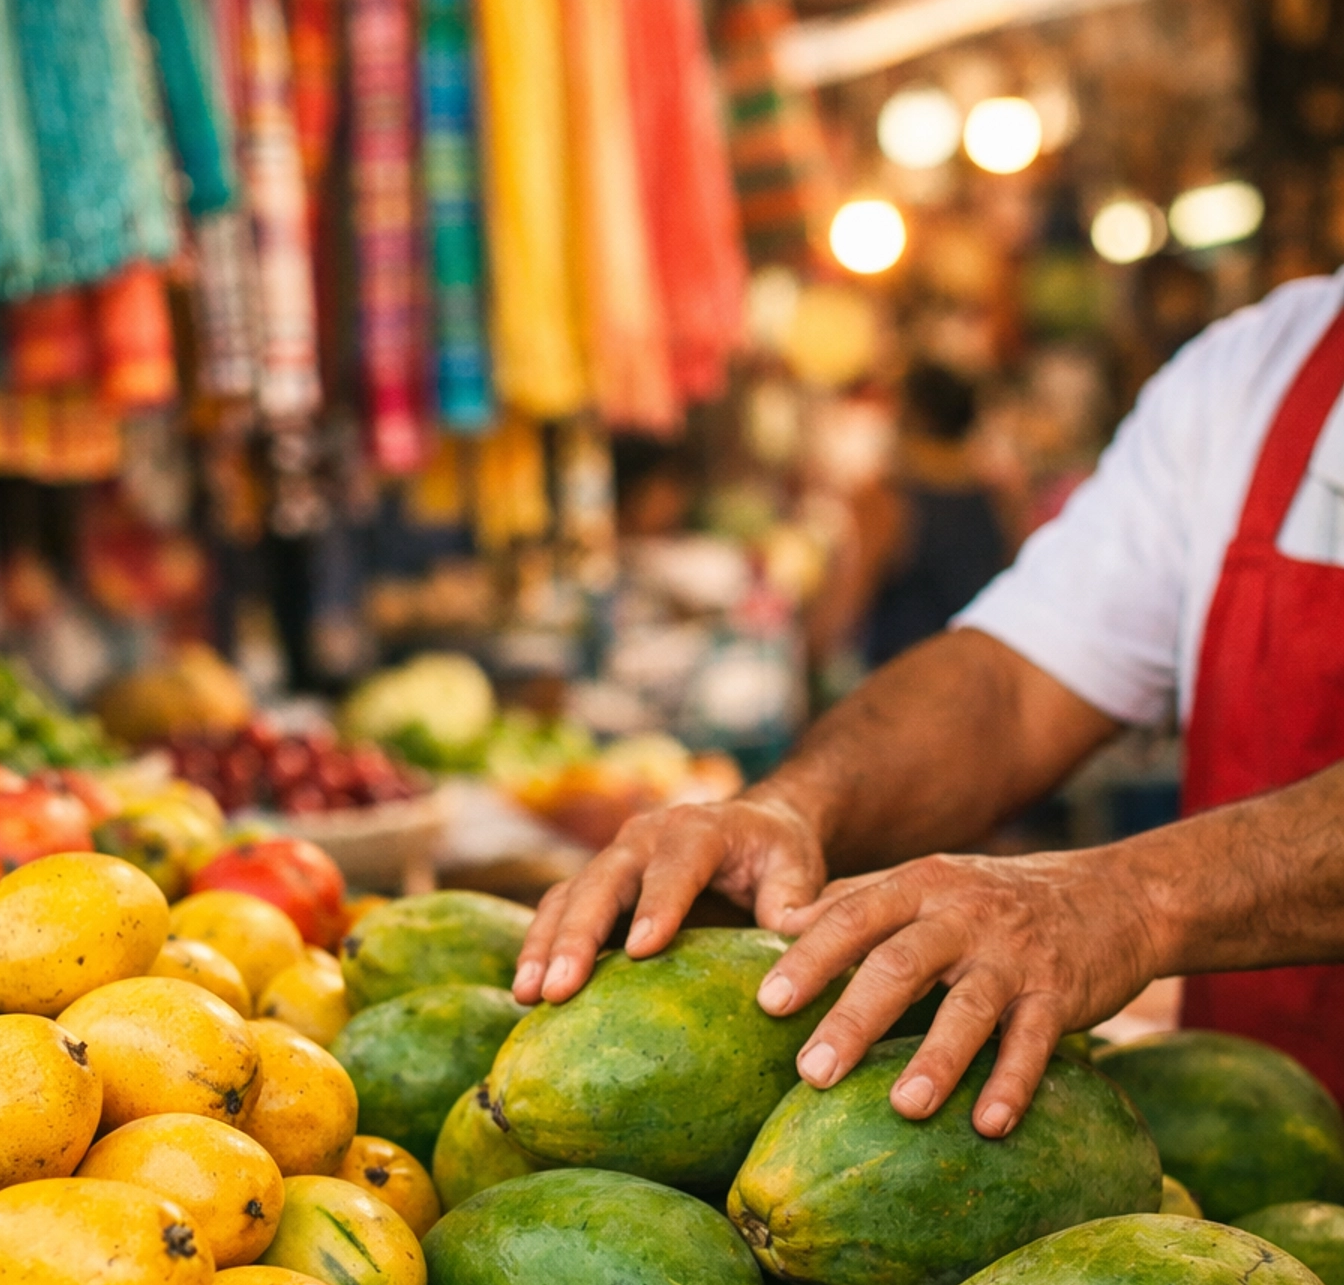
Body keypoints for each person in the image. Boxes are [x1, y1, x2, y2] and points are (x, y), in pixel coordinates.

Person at [514, 272, 1344, 1128]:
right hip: (1263, 1125)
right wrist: (795, 808)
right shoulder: (1247, 375)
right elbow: (1015, 681)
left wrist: (1132, 897)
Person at [806, 361, 1008, 675]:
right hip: (974, 681)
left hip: (905, 681)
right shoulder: (998, 497)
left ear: (914, 416)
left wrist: (804, 654)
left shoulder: (888, 502)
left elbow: (840, 616)